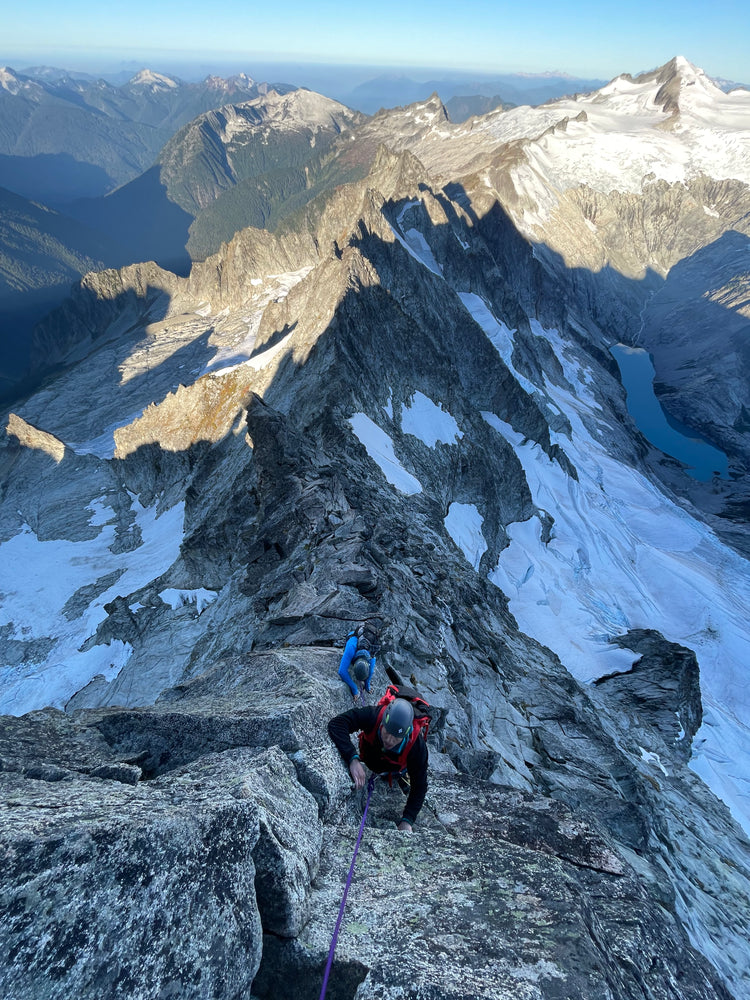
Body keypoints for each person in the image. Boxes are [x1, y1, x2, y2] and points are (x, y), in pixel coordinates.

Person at [328, 696, 428, 833]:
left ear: (406, 734)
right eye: (386, 732)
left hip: (395, 771)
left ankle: (397, 776)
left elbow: (420, 785)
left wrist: (407, 820)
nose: (389, 740)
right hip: (368, 758)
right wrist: (352, 758)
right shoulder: (373, 716)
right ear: (382, 723)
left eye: (396, 737)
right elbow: (337, 723)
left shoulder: (417, 747)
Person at [337, 628, 376, 701]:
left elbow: (370, 672)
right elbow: (342, 671)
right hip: (353, 636)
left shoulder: (372, 655)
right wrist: (354, 689)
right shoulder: (351, 647)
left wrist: (367, 685)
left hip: (366, 641)